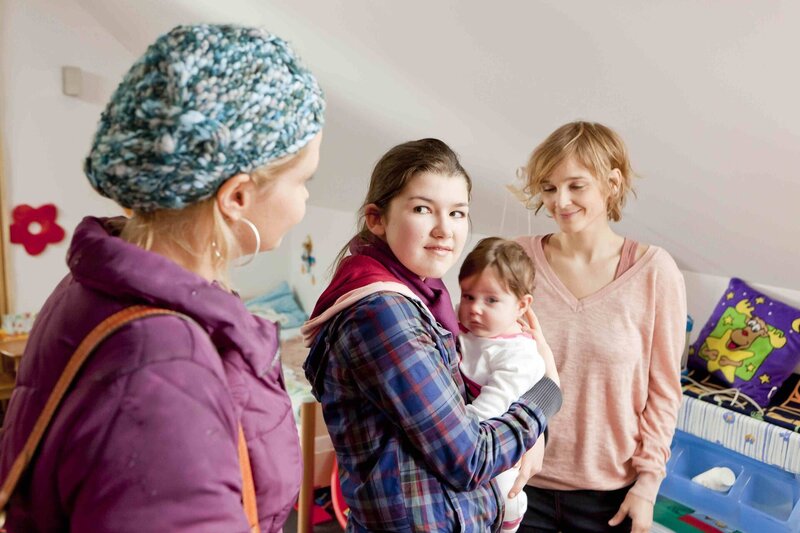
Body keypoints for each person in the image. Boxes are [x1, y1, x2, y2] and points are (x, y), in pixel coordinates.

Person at [0, 24, 324, 532]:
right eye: (304, 181)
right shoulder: (162, 366)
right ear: (236, 197)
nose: (305, 201)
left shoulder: (96, 281)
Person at [301, 138, 562, 532]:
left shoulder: (424, 298)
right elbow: (470, 458)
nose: (445, 230)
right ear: (376, 218)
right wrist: (548, 393)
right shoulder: (382, 314)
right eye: (423, 209)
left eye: (458, 213)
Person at [514, 121, 686, 533]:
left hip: (608, 498)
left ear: (612, 183)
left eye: (576, 186)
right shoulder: (515, 258)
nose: (561, 201)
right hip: (519, 481)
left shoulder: (655, 272)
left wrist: (647, 486)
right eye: (550, 188)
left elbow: (664, 391)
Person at [457, 237, 550, 532]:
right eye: (468, 296)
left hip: (497, 447)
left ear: (522, 305)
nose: (475, 309)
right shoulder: (468, 332)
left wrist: (448, 432)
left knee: (507, 496)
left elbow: (491, 408)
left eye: (491, 300)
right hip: (471, 440)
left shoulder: (519, 355)